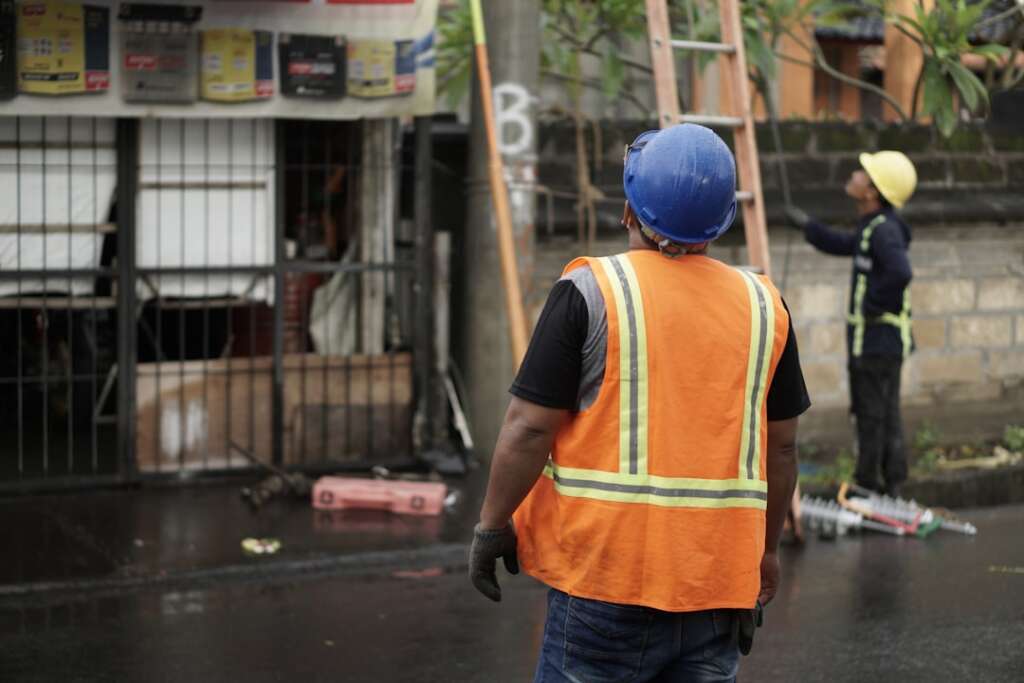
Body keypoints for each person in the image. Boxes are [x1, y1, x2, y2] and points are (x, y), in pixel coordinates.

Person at [469, 124, 810, 682]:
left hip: (605, 583)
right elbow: (783, 448)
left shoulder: (590, 291)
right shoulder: (765, 306)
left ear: (629, 209)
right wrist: (765, 555)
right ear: (721, 223)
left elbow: (529, 429)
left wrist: (492, 523)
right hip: (717, 588)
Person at [785, 151, 916, 497]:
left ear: (872, 192)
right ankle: (890, 485)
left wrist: (871, 305)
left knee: (872, 414)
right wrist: (808, 227)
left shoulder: (883, 231)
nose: (855, 175)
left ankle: (870, 486)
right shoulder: (873, 227)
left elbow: (900, 272)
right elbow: (843, 243)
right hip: (876, 342)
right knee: (881, 412)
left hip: (877, 341)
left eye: (863, 173)